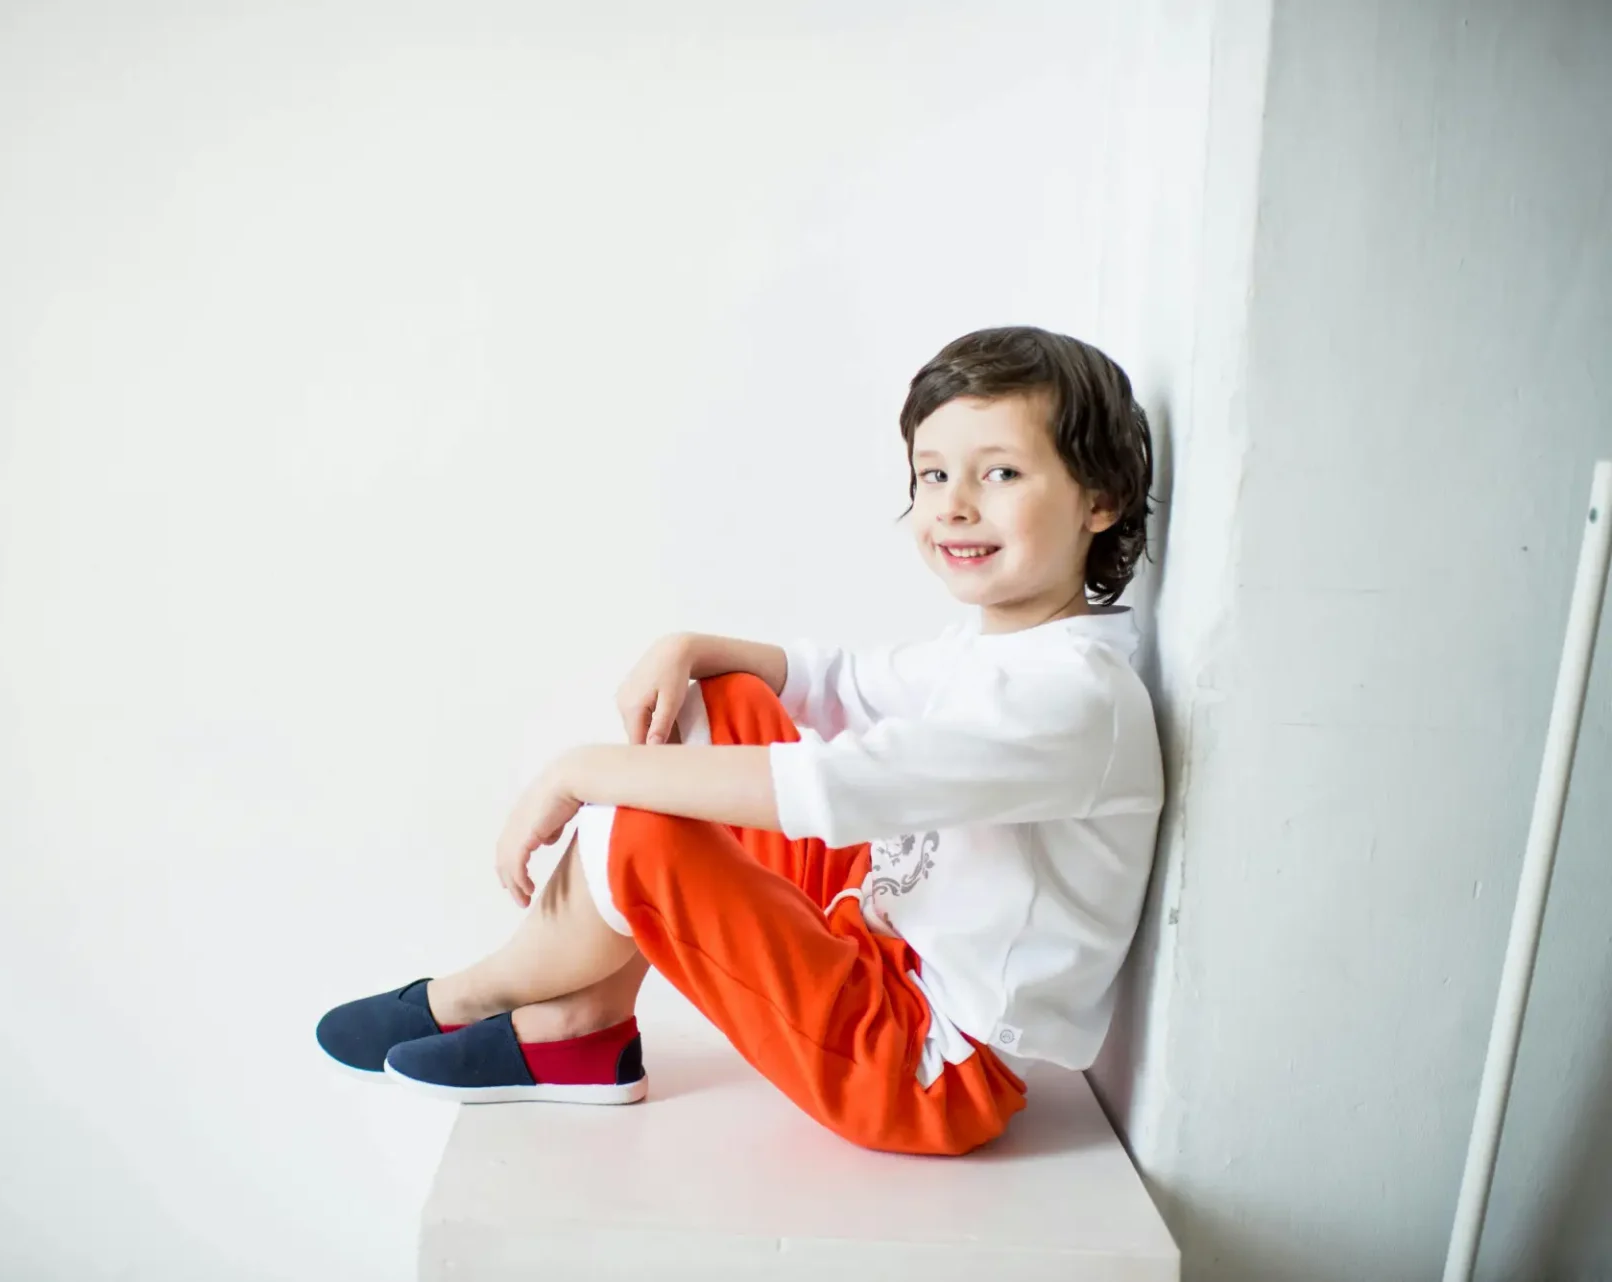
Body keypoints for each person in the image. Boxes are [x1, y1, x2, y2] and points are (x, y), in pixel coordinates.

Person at [315, 325, 1163, 1156]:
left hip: (923, 1064)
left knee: (644, 820)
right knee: (722, 704)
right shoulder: (1000, 651)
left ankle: (478, 993)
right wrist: (694, 648)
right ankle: (583, 1025)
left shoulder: (1073, 699)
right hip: (870, 931)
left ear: (1100, 499)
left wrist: (583, 772)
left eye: (1001, 473)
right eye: (933, 473)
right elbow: (841, 684)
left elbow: (838, 789)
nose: (954, 504)